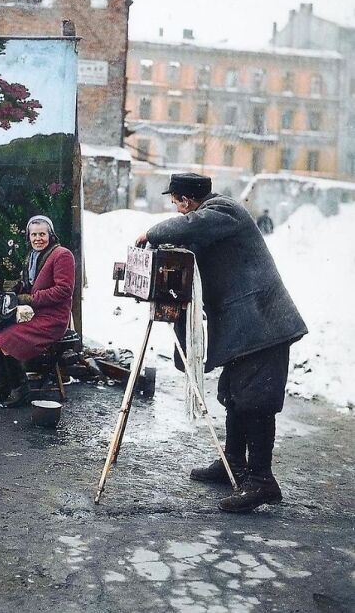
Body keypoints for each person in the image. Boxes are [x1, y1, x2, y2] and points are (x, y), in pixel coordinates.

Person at [135, 172, 307, 513]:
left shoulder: (224, 211)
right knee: (234, 395)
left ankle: (261, 481)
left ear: (186, 200)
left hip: (264, 325)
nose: (177, 209)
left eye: (176, 202)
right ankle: (233, 462)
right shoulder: (210, 224)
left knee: (255, 401)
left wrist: (151, 234)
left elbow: (190, 227)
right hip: (246, 328)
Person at [0, 215, 75, 408]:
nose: (38, 238)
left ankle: (21, 391)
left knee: (7, 339)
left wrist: (30, 299)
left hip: (52, 318)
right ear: (29, 237)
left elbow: (64, 290)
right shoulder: (32, 256)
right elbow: (30, 285)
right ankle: (3, 386)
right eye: (34, 234)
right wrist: (16, 290)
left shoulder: (62, 255)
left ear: (51, 235)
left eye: (42, 234)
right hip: (33, 313)